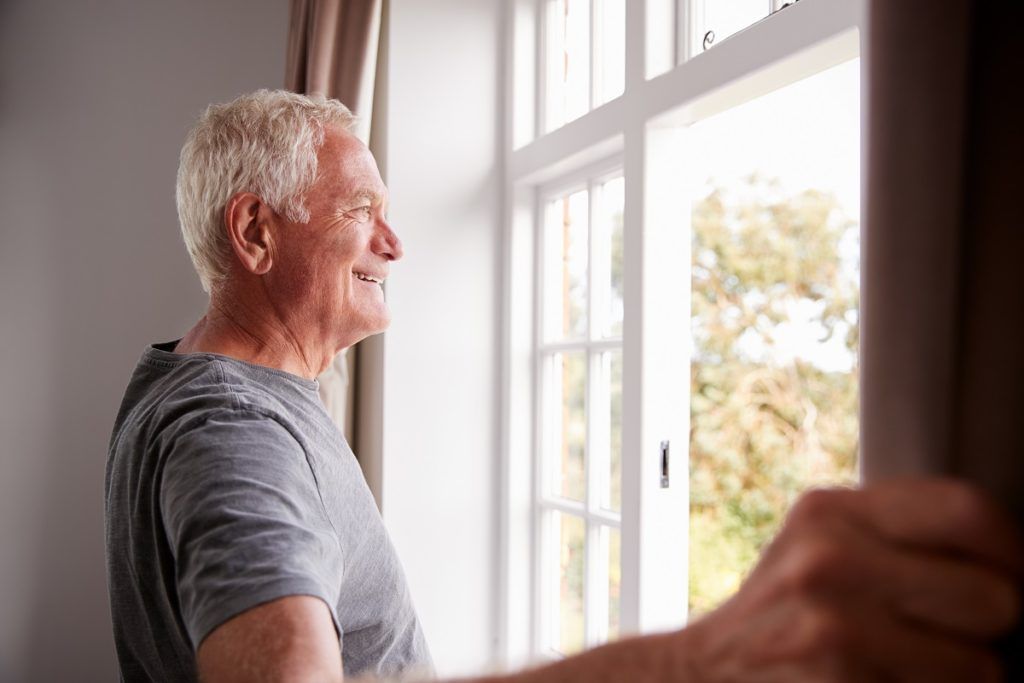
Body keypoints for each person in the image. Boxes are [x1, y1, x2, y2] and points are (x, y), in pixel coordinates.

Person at [104, 89, 1023, 683]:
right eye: (359, 213)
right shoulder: (234, 428)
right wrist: (706, 658)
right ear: (256, 234)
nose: (394, 243)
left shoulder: (193, 386)